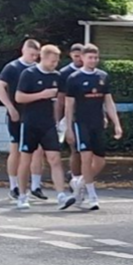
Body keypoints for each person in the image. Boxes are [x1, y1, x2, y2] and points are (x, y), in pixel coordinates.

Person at [13, 44, 74, 211]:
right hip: (31, 122)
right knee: (26, 159)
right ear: (43, 58)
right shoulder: (29, 74)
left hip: (48, 123)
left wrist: (59, 120)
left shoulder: (57, 76)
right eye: (53, 61)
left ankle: (61, 195)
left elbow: (61, 99)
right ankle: (22, 195)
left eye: (57, 61)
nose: (55, 64)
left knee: (54, 158)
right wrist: (41, 95)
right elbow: (19, 97)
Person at [62, 45, 123, 211]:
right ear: (82, 58)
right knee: (86, 159)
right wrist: (68, 128)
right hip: (81, 123)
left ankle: (79, 182)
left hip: (97, 123)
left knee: (100, 161)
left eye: (96, 58)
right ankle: (92, 196)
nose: (93, 61)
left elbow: (108, 102)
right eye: (90, 58)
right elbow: (69, 106)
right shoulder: (73, 78)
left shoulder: (103, 76)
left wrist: (116, 123)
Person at [0, 39, 40, 202]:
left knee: (35, 151)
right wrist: (10, 107)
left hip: (34, 116)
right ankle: (13, 185)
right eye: (31, 54)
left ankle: (34, 185)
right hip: (17, 114)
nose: (34, 58)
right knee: (16, 149)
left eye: (36, 55)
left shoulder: (37, 69)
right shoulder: (12, 67)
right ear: (23, 50)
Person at [57, 43, 85, 187]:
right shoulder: (65, 73)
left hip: (87, 115)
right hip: (71, 115)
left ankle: (80, 176)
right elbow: (61, 98)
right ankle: (75, 177)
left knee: (86, 151)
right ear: (71, 56)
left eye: (81, 55)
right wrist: (58, 119)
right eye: (76, 56)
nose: (79, 59)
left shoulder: (92, 71)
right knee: (75, 148)